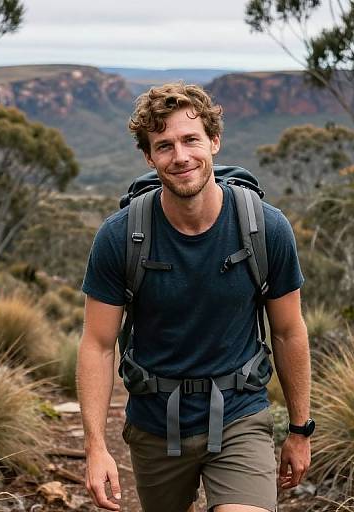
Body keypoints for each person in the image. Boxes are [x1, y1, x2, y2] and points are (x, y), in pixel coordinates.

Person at [77, 82, 312, 512]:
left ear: (214, 142)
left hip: (241, 413)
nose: (180, 156)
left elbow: (288, 331)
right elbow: (97, 344)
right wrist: (96, 446)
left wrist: (300, 430)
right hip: (155, 424)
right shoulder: (120, 237)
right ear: (149, 157)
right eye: (164, 146)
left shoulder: (266, 229)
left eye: (191, 140)